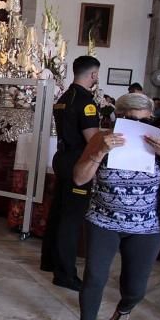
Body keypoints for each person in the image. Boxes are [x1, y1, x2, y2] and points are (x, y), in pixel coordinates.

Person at [72, 92, 160, 320]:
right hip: (103, 220)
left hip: (146, 226)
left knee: (135, 287)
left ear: (152, 120)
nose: (134, 125)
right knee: (94, 278)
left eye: (142, 121)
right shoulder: (101, 138)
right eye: (127, 119)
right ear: (116, 118)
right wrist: (100, 152)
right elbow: (79, 177)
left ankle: (124, 309)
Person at [41, 56, 101, 291]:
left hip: (63, 158)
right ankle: (65, 274)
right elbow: (92, 139)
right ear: (93, 75)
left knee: (59, 212)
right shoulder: (86, 101)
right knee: (71, 219)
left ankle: (50, 262)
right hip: (79, 161)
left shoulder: (65, 97)